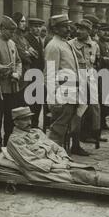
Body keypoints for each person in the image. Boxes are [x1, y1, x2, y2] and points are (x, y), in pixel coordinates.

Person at [4, 107, 109, 192]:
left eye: (29, 118)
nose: (29, 122)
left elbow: (56, 147)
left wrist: (64, 158)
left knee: (88, 172)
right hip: (44, 171)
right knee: (86, 176)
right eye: (24, 119)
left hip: (58, 163)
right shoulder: (14, 140)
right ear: (16, 122)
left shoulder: (36, 132)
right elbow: (29, 163)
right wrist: (57, 164)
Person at [44, 14, 78, 147]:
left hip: (70, 91)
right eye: (65, 27)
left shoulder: (65, 43)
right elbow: (50, 74)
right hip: (61, 93)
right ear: (56, 29)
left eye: (68, 26)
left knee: (66, 127)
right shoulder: (53, 46)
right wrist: (53, 98)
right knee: (57, 129)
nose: (69, 29)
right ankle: (53, 156)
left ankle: (62, 155)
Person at [0, 16, 22, 152]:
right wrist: (9, 71)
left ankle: (8, 139)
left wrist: (18, 74)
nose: (12, 34)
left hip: (13, 86)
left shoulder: (12, 43)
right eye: (10, 31)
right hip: (0, 87)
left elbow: (19, 61)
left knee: (10, 116)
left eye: (14, 31)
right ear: (2, 29)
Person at [68, 19, 100, 156]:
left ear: (89, 31)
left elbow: (95, 63)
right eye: (78, 28)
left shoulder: (94, 45)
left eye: (83, 29)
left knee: (94, 110)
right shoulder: (70, 45)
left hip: (90, 81)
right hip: (76, 82)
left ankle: (91, 134)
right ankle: (75, 144)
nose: (79, 31)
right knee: (78, 113)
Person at [12, 12, 38, 107]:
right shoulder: (13, 37)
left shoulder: (22, 37)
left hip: (26, 73)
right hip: (19, 74)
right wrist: (27, 52)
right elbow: (22, 55)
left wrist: (27, 52)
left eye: (24, 21)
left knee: (23, 102)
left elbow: (35, 53)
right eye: (22, 21)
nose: (24, 24)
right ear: (16, 22)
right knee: (18, 103)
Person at [25, 18, 46, 128]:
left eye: (39, 27)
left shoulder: (39, 40)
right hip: (31, 76)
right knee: (32, 104)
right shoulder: (27, 39)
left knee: (38, 103)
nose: (37, 29)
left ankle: (35, 124)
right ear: (30, 28)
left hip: (39, 76)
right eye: (35, 27)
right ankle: (32, 125)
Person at [97, 23, 109, 130]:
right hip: (100, 75)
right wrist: (106, 59)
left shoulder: (107, 44)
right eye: (103, 30)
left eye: (107, 30)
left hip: (107, 75)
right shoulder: (97, 43)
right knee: (101, 99)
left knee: (105, 100)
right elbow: (98, 59)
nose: (106, 33)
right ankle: (100, 123)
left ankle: (103, 122)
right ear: (98, 32)